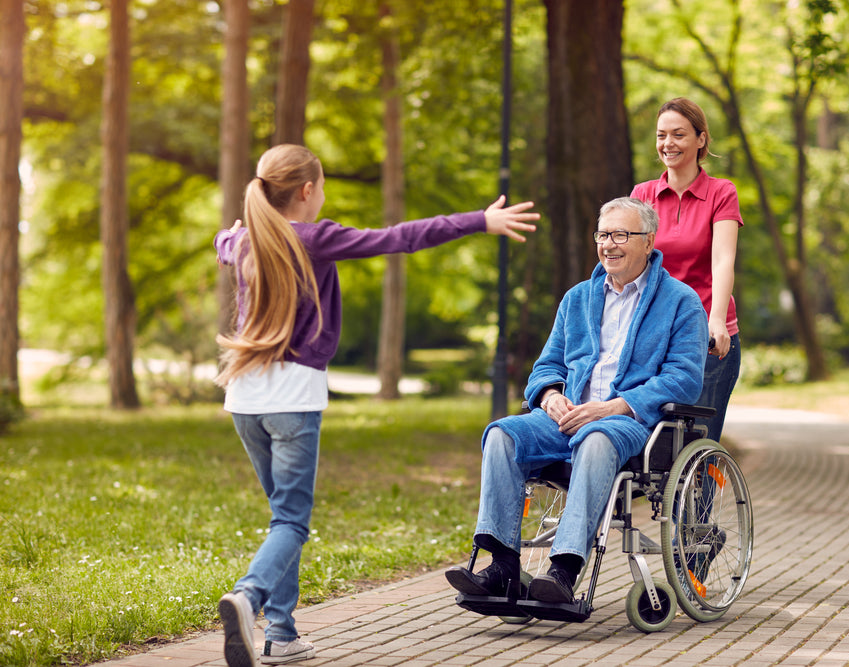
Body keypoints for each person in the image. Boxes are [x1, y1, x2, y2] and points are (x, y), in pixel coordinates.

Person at [213, 143, 539, 667]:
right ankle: (248, 599)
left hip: (245, 398)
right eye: (321, 187)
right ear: (306, 191)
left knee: (281, 518)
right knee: (292, 522)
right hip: (292, 398)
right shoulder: (314, 238)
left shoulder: (242, 242)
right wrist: (480, 219)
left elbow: (221, 241)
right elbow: (400, 238)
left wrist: (232, 232)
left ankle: (282, 632)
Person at [445, 197, 707, 605]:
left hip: (627, 423)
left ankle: (563, 572)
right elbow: (546, 365)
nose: (609, 245)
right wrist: (549, 395)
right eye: (603, 235)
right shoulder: (577, 298)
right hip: (564, 417)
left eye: (621, 235)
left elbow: (685, 378)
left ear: (648, 241)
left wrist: (616, 406)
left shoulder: (681, 302)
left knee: (597, 438)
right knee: (501, 434)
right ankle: (502, 566)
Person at [629, 97, 743, 445]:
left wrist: (717, 320)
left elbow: (723, 259)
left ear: (701, 139)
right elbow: (630, 265)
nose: (668, 144)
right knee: (646, 444)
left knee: (698, 445)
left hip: (707, 335)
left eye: (678, 134)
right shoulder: (642, 194)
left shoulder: (720, 192)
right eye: (662, 135)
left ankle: (699, 502)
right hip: (653, 334)